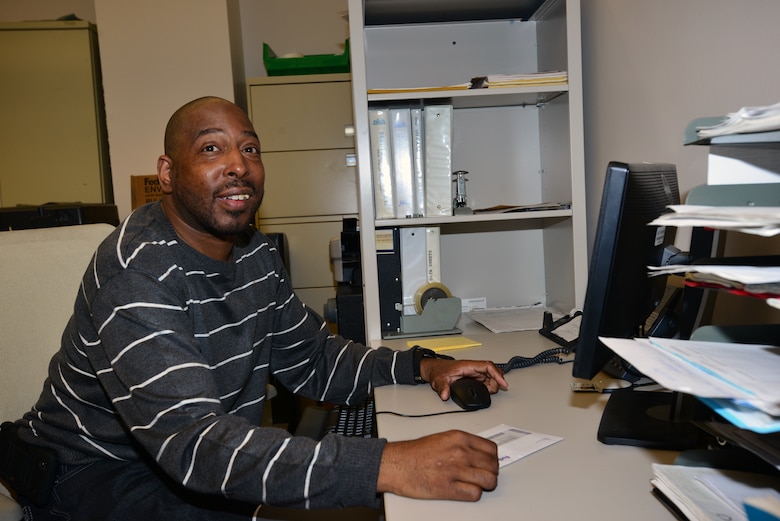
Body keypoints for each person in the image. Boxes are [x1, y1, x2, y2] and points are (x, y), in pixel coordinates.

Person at [4, 96, 508, 520]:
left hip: (181, 457)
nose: (238, 165)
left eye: (249, 149)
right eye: (210, 148)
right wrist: (389, 464)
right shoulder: (135, 272)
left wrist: (421, 364)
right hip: (91, 469)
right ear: (167, 173)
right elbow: (195, 445)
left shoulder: (254, 253)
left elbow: (312, 360)